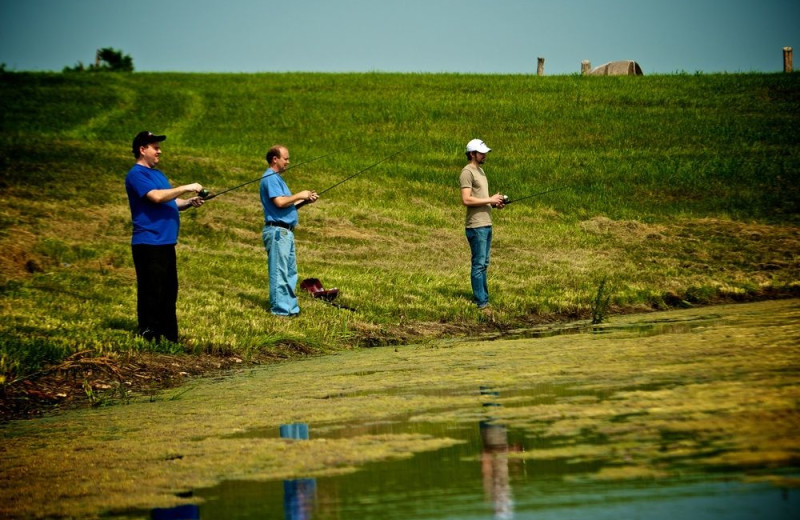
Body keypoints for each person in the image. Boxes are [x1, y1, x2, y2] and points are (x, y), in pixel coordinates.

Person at [125, 131, 205, 343]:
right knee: (152, 290)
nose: (160, 151)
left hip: (166, 242)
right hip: (148, 243)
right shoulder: (136, 175)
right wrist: (186, 186)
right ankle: (150, 334)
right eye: (155, 147)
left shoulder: (158, 175)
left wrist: (188, 201)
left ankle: (169, 336)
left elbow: (170, 202)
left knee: (169, 291)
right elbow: (156, 196)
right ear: (143, 150)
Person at [260, 145, 319, 316]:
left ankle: (291, 309)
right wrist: (300, 194)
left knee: (290, 273)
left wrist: (306, 201)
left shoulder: (277, 179)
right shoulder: (270, 177)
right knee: (279, 272)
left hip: (286, 232)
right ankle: (280, 311)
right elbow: (279, 202)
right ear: (275, 159)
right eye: (286, 158)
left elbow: (286, 206)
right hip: (278, 231)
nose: (288, 162)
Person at [459, 138, 505, 310]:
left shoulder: (481, 171)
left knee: (484, 263)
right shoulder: (467, 172)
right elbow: (466, 199)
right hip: (475, 225)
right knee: (478, 264)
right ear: (472, 154)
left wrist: (494, 203)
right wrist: (489, 199)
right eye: (481, 152)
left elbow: (479, 198)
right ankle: (482, 302)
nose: (484, 155)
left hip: (486, 223)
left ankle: (484, 298)